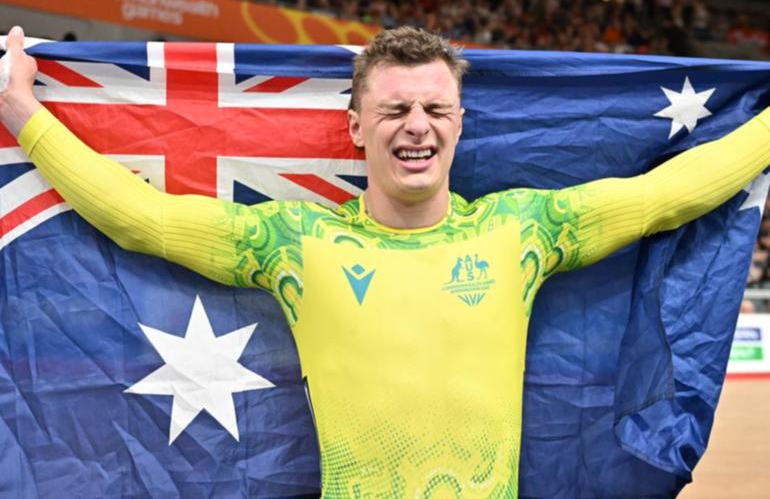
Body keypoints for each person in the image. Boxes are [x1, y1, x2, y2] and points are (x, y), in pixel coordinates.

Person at [1, 25, 769, 497]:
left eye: (435, 109)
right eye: (395, 109)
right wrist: (22, 112)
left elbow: (667, 195)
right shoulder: (292, 243)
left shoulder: (525, 231)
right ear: (356, 126)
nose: (417, 128)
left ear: (460, 123)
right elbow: (143, 218)